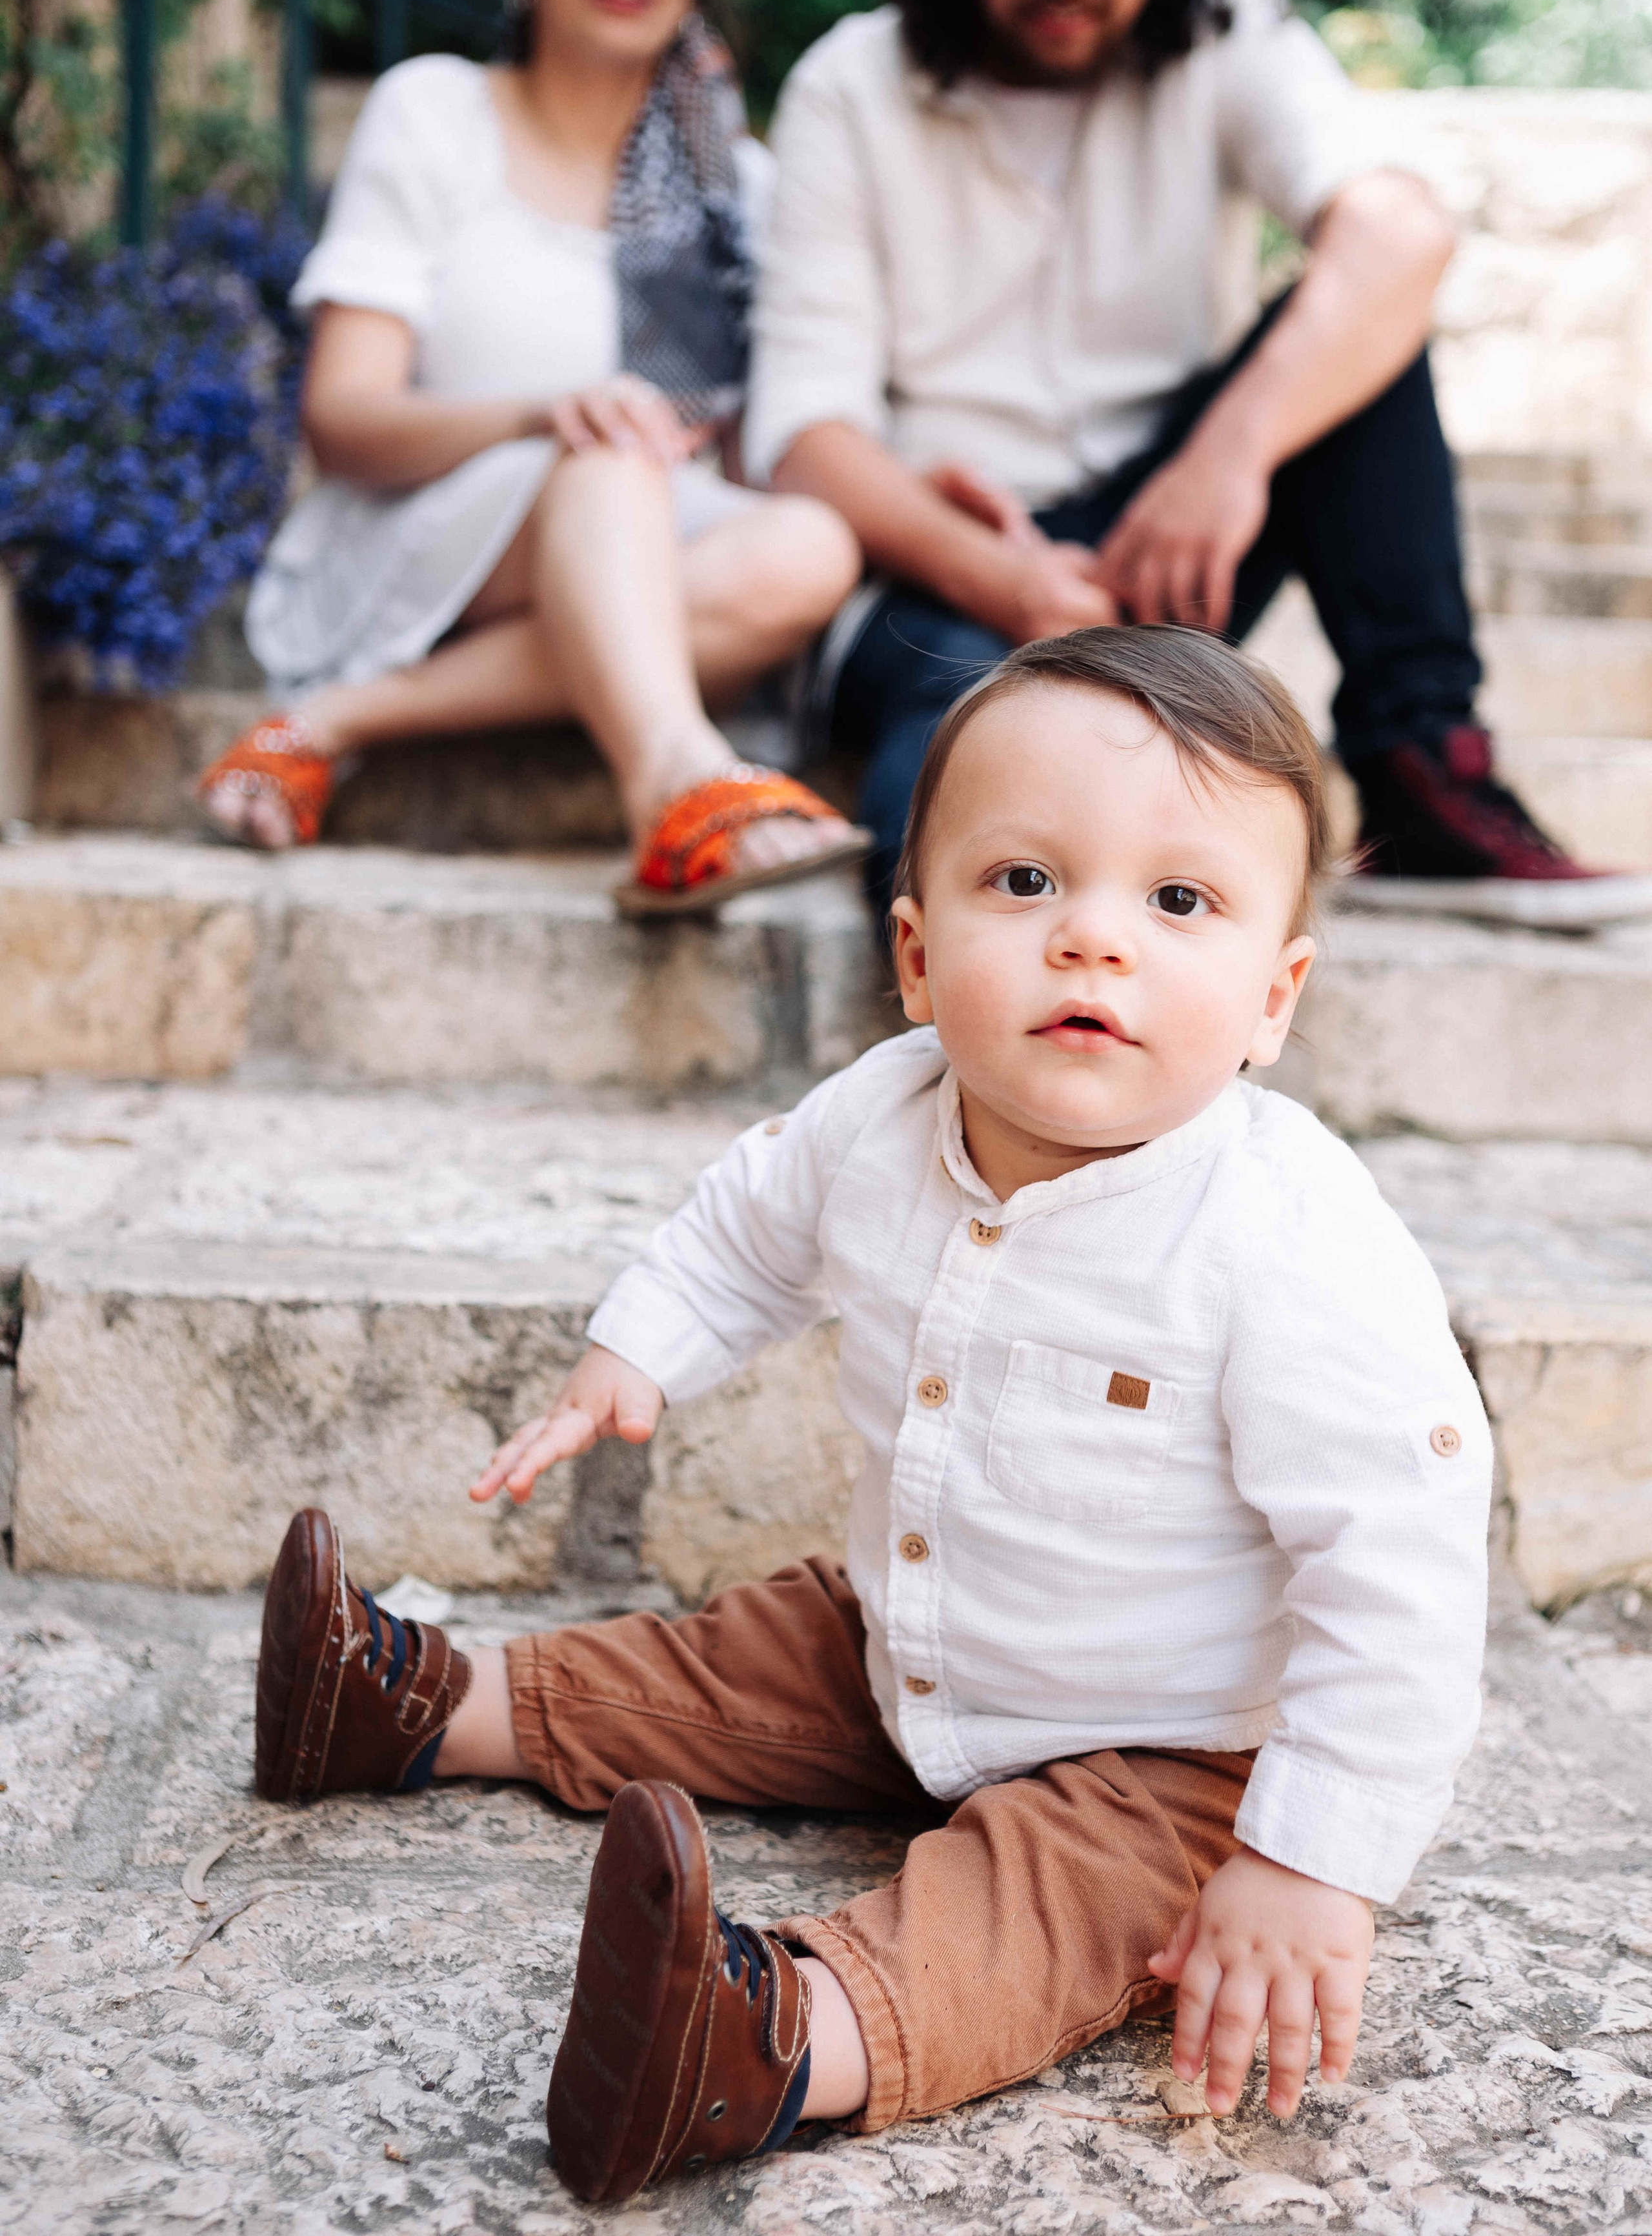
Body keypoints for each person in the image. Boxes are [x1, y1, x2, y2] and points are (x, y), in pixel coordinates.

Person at [252, 627, 1492, 2199]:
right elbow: (749, 1226)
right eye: (1025, 883)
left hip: (1178, 1754)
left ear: (1272, 997)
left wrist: (1311, 1863)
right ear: (914, 955)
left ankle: (765, 2038)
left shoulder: (1286, 1234)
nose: (1091, 942)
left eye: (1176, 902)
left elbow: (1401, 1557)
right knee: (736, 1654)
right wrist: (640, 1347)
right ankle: (417, 1697)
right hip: (917, 1631)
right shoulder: (877, 1114)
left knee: (1039, 1904)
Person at [747, 0, 1615, 920]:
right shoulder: (847, 87)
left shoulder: (1227, 34)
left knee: (1361, 322)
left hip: (1167, 540)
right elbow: (806, 439)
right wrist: (1008, 579)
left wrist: (1230, 456)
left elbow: (1401, 234)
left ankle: (1419, 760)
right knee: (943, 834)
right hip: (938, 567)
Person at [197, 0, 865, 916]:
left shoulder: (730, 185)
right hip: (434, 538)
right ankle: (676, 775)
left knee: (809, 546)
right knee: (612, 456)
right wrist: (541, 413)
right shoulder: (435, 114)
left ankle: (345, 717)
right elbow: (344, 420)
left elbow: (749, 449)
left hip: (637, 552)